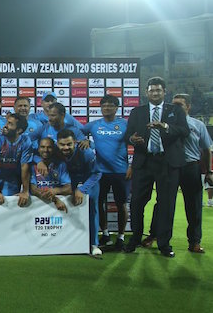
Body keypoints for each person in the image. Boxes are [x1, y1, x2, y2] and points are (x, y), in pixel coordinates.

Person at [124, 77, 189, 258]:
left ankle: (164, 244)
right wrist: (132, 140)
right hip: (143, 162)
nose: (155, 93)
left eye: (158, 90)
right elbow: (128, 134)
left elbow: (185, 131)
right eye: (152, 90)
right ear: (146, 92)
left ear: (164, 91)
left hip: (167, 163)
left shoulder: (175, 111)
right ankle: (135, 238)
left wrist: (165, 126)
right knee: (137, 202)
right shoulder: (137, 112)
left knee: (166, 204)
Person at [79, 95, 130, 249]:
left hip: (121, 171)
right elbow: (78, 132)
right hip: (100, 172)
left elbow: (137, 143)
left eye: (111, 105)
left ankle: (121, 237)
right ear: (100, 108)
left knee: (121, 204)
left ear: (117, 108)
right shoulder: (94, 125)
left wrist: (132, 166)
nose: (107, 108)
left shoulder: (125, 125)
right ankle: (105, 234)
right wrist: (86, 140)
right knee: (99, 203)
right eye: (104, 105)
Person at [171, 93, 212, 253]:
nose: (176, 108)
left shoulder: (198, 125)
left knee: (194, 207)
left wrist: (208, 171)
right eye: (173, 104)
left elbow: (206, 149)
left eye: (179, 104)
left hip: (191, 167)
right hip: (171, 167)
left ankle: (194, 241)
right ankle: (158, 237)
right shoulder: (166, 123)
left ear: (188, 106)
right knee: (164, 204)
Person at [56, 129, 102, 258]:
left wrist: (82, 189)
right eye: (62, 145)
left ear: (75, 143)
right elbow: (37, 154)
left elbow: (97, 173)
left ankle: (93, 244)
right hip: (67, 182)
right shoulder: (54, 151)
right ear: (57, 143)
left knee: (92, 208)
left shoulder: (85, 152)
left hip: (88, 181)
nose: (65, 147)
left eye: (69, 144)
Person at [0, 113, 32, 206]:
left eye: (10, 124)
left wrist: (25, 191)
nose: (5, 126)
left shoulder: (26, 141)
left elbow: (25, 167)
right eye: (7, 122)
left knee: (8, 204)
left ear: (19, 130)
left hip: (11, 179)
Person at [30, 138, 71, 212]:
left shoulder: (61, 165)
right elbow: (33, 189)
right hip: (37, 206)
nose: (46, 150)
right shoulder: (32, 166)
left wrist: (55, 190)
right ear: (38, 149)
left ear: (54, 149)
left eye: (49, 147)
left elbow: (69, 188)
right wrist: (54, 199)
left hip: (58, 208)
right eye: (42, 147)